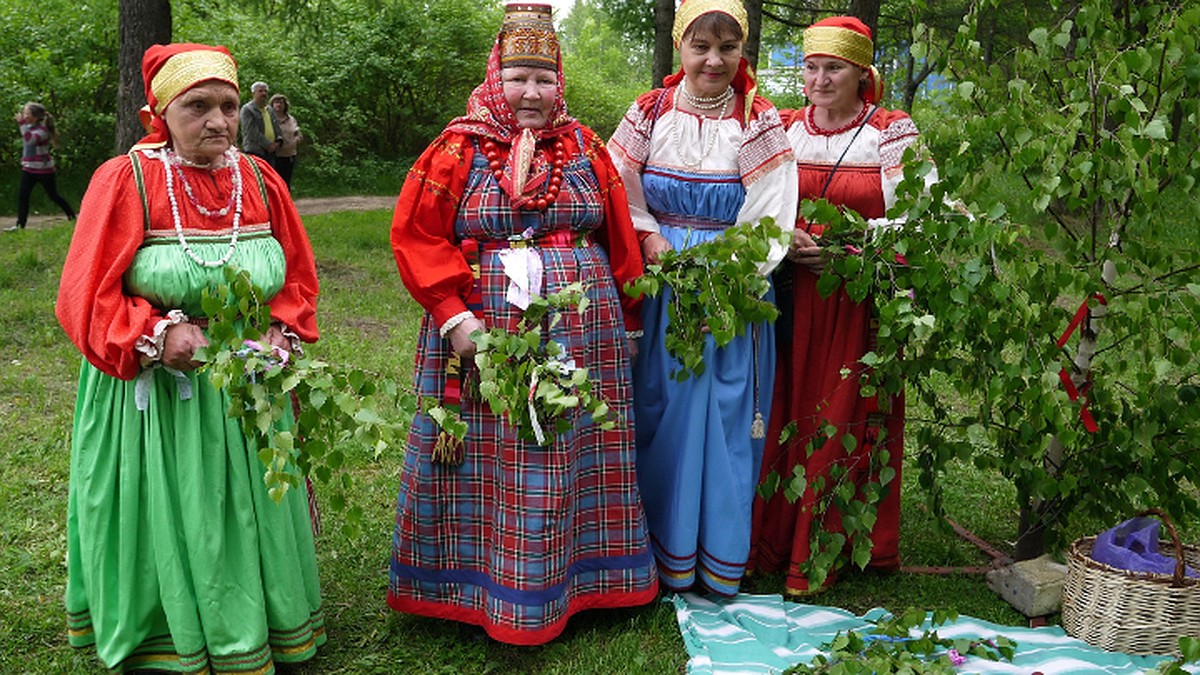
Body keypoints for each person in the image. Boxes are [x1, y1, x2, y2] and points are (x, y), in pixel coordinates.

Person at [387, 3, 657, 645]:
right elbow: (417, 234)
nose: (531, 92)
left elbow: (620, 235)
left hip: (582, 330)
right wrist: (453, 316)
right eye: (517, 78)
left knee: (570, 443)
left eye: (543, 77)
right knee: (491, 447)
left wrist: (631, 316)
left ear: (559, 80)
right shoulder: (455, 148)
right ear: (495, 77)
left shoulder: (586, 146)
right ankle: (471, 584)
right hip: (482, 330)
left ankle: (583, 581)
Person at [55, 43, 324, 672]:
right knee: (176, 511)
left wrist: (283, 332)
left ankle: (264, 618)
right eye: (197, 105)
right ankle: (167, 627)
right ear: (160, 110)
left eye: (228, 106)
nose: (219, 121)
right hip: (157, 394)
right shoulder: (125, 179)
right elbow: (84, 295)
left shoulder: (260, 180)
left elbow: (297, 275)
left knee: (248, 502)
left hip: (248, 381)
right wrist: (152, 334)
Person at [607, 0, 798, 597]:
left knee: (722, 413)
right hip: (661, 279)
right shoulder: (649, 111)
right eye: (701, 46)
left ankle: (713, 557)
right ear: (679, 47)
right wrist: (650, 236)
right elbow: (617, 185)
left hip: (728, 287)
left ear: (742, 51)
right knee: (660, 409)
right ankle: (656, 552)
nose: (713, 60)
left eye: (727, 47)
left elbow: (771, 209)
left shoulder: (757, 120)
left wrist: (726, 271)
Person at [749, 16, 934, 595]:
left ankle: (825, 545)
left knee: (840, 410)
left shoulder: (891, 131)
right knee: (783, 411)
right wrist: (782, 240)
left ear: (861, 73)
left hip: (855, 296)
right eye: (812, 66)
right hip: (787, 293)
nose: (820, 79)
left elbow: (921, 216)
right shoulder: (779, 129)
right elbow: (751, 203)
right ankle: (773, 541)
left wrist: (852, 250)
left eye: (835, 68)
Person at [10, 102, 76, 231]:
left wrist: (22, 124)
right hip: (29, 168)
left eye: (26, 113)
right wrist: (24, 125)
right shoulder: (29, 127)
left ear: (35, 117)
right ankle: (20, 225)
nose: (24, 115)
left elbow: (30, 140)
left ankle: (72, 216)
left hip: (43, 170)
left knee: (53, 195)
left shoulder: (42, 131)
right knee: (23, 196)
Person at [240, 81, 282, 167]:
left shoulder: (270, 109)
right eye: (260, 91)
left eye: (265, 91)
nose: (264, 93)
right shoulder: (247, 109)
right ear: (253, 93)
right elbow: (251, 131)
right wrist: (268, 145)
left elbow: (276, 127)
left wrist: (279, 141)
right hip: (255, 151)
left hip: (271, 153)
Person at [269, 93, 302, 188]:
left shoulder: (291, 119)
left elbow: (298, 132)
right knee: (276, 182)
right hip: (275, 155)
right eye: (276, 102)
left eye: (281, 103)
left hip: (290, 155)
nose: (279, 105)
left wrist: (297, 139)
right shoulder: (270, 119)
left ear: (285, 105)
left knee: (287, 181)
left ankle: (287, 201)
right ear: (272, 104)